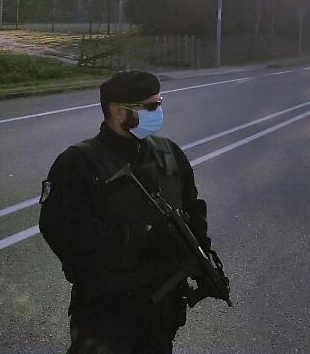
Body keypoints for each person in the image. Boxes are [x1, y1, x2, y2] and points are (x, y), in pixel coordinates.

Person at [39, 70, 213, 354]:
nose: (158, 113)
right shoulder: (77, 163)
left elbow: (193, 209)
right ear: (117, 111)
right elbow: (63, 231)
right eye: (150, 107)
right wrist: (138, 237)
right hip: (106, 313)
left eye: (160, 104)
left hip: (161, 311)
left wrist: (199, 254)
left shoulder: (169, 153)